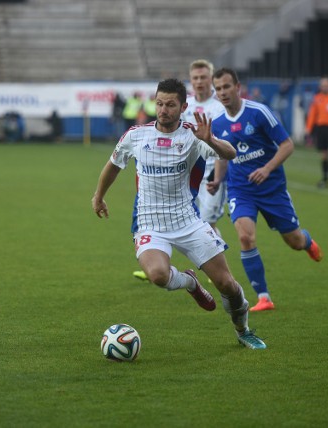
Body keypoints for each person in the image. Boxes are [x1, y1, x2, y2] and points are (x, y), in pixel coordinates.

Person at [92, 78, 267, 350]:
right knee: (159, 276)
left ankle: (243, 329)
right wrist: (99, 196)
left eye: (170, 105)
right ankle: (190, 283)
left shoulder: (193, 136)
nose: (163, 110)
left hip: (188, 222)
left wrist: (210, 140)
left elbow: (230, 154)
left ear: (183, 106)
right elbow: (114, 165)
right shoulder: (136, 135)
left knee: (227, 285)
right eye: (159, 103)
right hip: (149, 224)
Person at [207, 68, 323, 312]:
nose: (223, 92)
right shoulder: (217, 124)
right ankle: (263, 297)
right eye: (218, 89)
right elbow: (222, 156)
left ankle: (307, 241)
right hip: (240, 189)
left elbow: (287, 145)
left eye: (227, 86)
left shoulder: (258, 112)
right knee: (245, 236)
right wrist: (218, 180)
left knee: (293, 240)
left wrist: (267, 169)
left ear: (238, 87)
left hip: (272, 188)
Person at [133, 59, 226, 282]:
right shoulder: (185, 104)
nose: (199, 82)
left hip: (213, 170)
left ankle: (213, 268)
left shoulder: (219, 107)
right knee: (172, 216)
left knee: (206, 222)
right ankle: (158, 263)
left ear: (210, 80)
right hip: (186, 172)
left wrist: (220, 176)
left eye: (203, 77)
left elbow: (223, 144)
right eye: (195, 78)